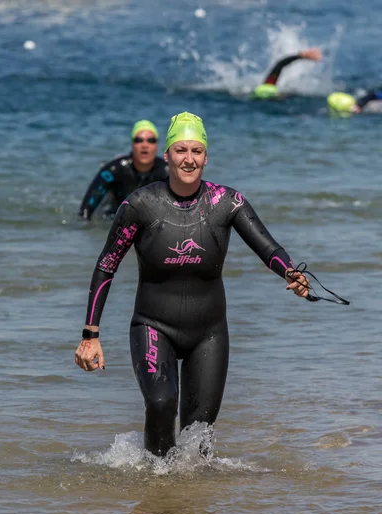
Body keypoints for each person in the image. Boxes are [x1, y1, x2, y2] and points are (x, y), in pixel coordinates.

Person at [75, 112, 310, 458]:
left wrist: (290, 272)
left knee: (198, 439)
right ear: (167, 155)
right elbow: (106, 265)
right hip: (153, 326)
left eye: (197, 151)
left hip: (209, 333)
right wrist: (90, 335)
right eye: (181, 150)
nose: (189, 159)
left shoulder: (227, 203)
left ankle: (192, 506)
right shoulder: (140, 205)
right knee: (160, 401)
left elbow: (268, 247)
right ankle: (155, 494)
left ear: (206, 156)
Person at [78, 120, 169, 220]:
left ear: (157, 145)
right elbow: (85, 211)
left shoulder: (167, 172)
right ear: (132, 144)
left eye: (151, 140)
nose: (145, 145)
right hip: (112, 218)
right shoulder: (114, 170)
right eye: (139, 140)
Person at [252, 48, 323, 99]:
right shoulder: (270, 88)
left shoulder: (269, 84)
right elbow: (280, 64)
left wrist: (301, 55)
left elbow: (280, 64)